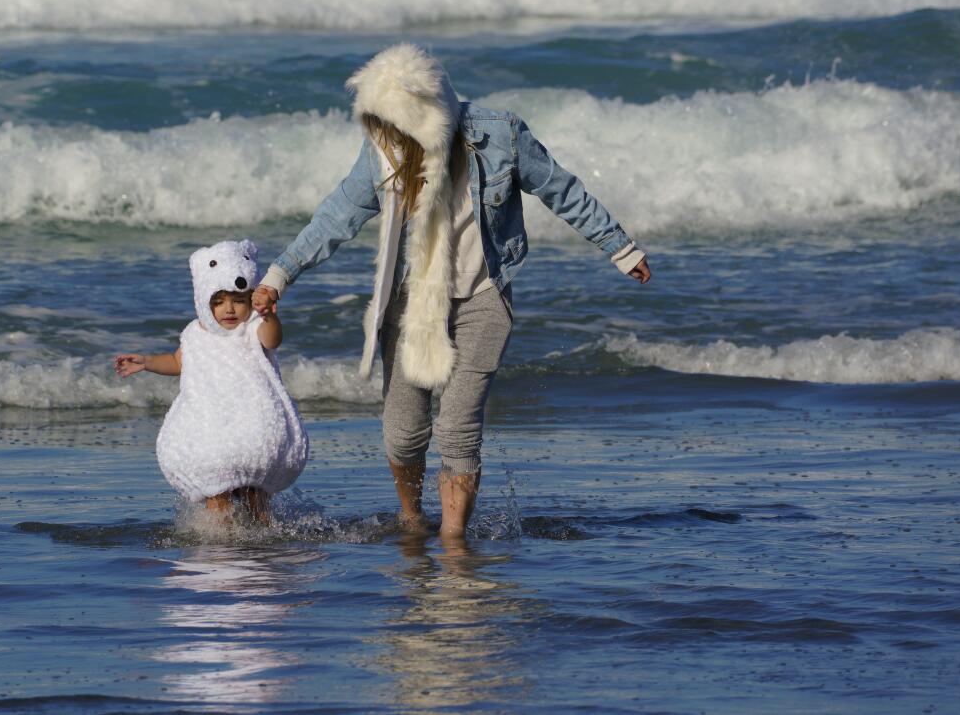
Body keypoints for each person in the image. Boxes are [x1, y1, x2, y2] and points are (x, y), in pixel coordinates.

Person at [252, 44, 650, 538]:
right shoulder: (381, 153)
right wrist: (278, 275)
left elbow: (560, 188)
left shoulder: (501, 135)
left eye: (399, 125)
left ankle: (454, 541)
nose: (390, 136)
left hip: (484, 299)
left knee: (457, 426)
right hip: (412, 301)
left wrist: (620, 247)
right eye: (381, 125)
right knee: (403, 433)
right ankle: (413, 517)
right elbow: (337, 216)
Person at [116, 239, 308, 523]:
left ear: (251, 298)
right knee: (217, 494)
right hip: (213, 433)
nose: (229, 310)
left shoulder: (254, 328)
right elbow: (179, 362)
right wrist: (146, 362)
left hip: (253, 430)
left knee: (255, 495)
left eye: (238, 301)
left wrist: (269, 319)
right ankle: (222, 541)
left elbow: (273, 340)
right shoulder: (196, 334)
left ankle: (267, 539)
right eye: (218, 302)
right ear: (204, 302)